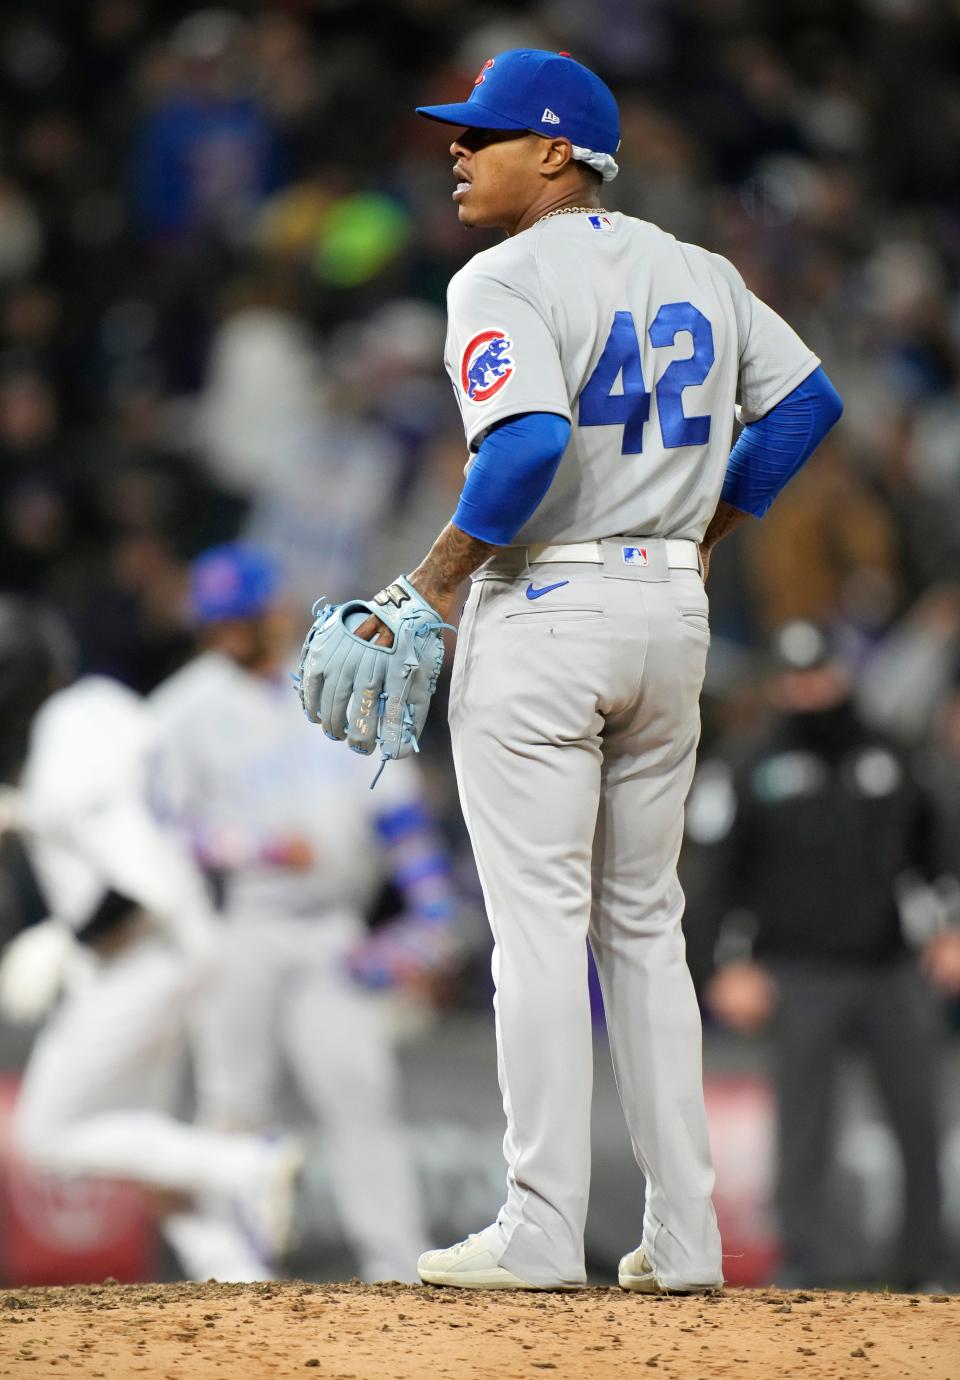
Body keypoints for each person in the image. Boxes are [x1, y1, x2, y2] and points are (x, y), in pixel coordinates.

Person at [298, 48, 843, 1292]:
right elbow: (809, 406)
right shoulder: (702, 271)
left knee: (539, 932)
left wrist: (425, 585)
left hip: (544, 606)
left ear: (555, 152)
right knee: (647, 930)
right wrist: (702, 540)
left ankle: (544, 1226)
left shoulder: (501, 274)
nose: (456, 150)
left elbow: (528, 444)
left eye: (481, 134)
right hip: (668, 605)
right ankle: (689, 1241)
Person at [150, 542, 459, 1283]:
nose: (227, 633)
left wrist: (431, 912)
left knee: (361, 1097)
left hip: (332, 933)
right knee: (233, 1104)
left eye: (240, 618)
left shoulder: (337, 676)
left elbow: (398, 813)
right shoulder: (181, 708)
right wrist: (243, 846)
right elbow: (156, 826)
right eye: (214, 621)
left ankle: (396, 1271)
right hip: (239, 930)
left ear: (274, 610)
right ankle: (227, 1273)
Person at [0, 596, 302, 1284]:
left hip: (144, 955)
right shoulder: (100, 703)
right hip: (182, 944)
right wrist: (24, 816)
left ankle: (247, 1166)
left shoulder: (66, 741)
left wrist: (63, 943)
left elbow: (142, 881)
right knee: (136, 1136)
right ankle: (231, 1273)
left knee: (46, 1136)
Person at [690, 620, 960, 1289]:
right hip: (796, 969)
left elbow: (942, 853)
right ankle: (806, 1268)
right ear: (781, 682)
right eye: (798, 676)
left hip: (890, 966)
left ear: (842, 674)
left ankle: (925, 1266)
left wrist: (952, 929)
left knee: (918, 1121)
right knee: (805, 1127)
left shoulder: (893, 756)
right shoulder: (749, 763)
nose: (811, 689)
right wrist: (720, 967)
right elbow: (713, 873)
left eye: (821, 674)